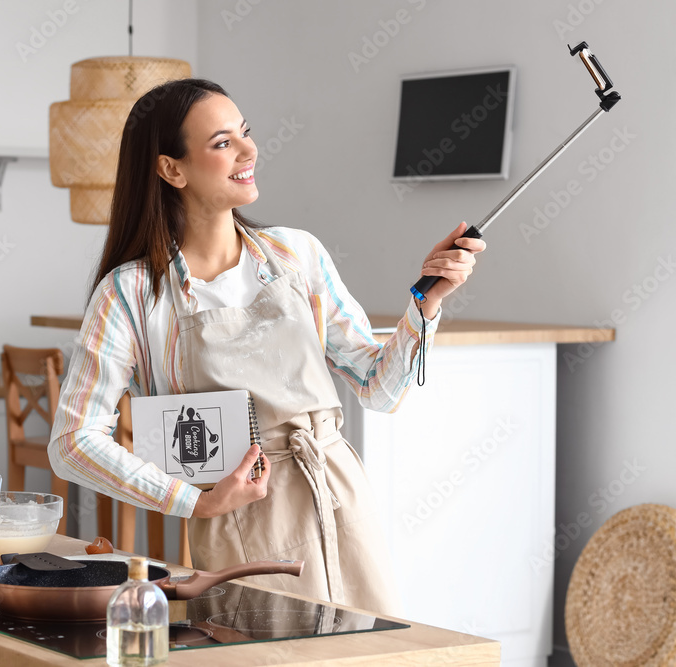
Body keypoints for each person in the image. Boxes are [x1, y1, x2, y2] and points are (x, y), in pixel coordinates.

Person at [49, 78, 484, 615]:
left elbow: (378, 389)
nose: (249, 151)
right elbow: (72, 442)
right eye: (222, 142)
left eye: (245, 133)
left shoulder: (297, 254)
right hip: (240, 514)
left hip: (337, 490)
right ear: (171, 169)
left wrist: (427, 304)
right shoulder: (132, 292)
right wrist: (194, 500)